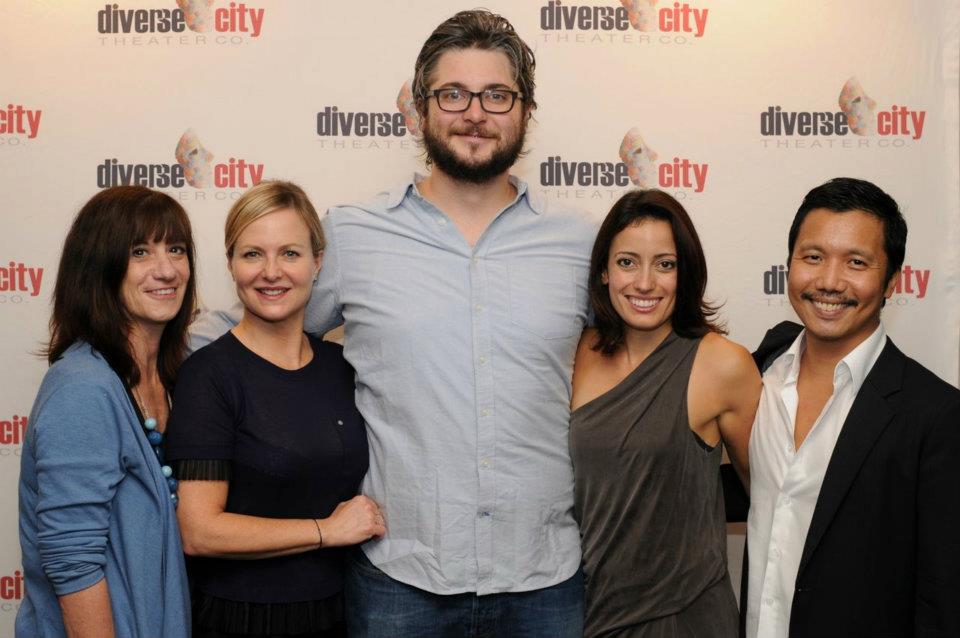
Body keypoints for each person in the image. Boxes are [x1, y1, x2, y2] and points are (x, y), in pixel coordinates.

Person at [191, 10, 597, 637]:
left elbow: (643, 355)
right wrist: (141, 364)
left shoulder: (578, 243)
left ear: (525, 110)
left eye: (497, 95)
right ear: (420, 109)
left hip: (543, 580)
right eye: (453, 94)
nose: (474, 113)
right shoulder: (354, 235)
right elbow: (263, 327)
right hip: (400, 583)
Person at [743, 177, 960, 638]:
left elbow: (942, 596)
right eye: (813, 257)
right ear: (789, 263)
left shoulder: (935, 415)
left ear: (892, 281)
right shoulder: (759, 371)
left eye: (856, 262)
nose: (829, 281)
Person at [165, 181, 383, 638]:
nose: (271, 272)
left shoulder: (341, 367)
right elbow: (198, 530)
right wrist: (325, 530)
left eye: (290, 253)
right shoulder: (209, 375)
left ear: (317, 262)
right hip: (241, 618)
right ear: (230, 263)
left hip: (340, 612)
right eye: (252, 254)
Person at [570, 190, 760, 637]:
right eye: (627, 262)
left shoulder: (722, 364)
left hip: (684, 616)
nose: (644, 283)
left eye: (665, 264)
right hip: (589, 612)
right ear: (603, 271)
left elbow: (770, 497)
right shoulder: (578, 351)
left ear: (685, 272)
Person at [17, 186, 194, 638]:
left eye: (176, 249)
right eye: (140, 252)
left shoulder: (172, 376)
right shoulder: (83, 388)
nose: (167, 269)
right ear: (99, 267)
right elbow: (72, 562)